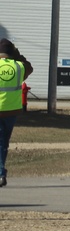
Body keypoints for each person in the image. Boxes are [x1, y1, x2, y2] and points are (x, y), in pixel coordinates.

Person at [0, 38, 34, 187]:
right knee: (3, 143)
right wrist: (17, 54)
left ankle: (0, 173)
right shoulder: (19, 67)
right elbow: (29, 67)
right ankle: (1, 172)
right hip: (11, 111)